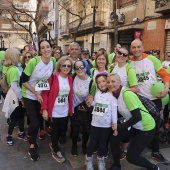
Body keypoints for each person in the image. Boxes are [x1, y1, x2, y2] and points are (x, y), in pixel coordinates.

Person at [130, 39, 170, 165]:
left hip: (155, 100)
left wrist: (166, 89)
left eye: (138, 47)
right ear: (131, 49)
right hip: (139, 101)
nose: (136, 49)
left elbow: (165, 75)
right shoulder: (128, 61)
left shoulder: (152, 59)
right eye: (134, 47)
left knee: (156, 126)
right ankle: (137, 149)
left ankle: (156, 151)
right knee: (139, 126)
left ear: (142, 47)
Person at [107, 73, 158, 170]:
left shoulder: (126, 94)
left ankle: (153, 167)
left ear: (120, 82)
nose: (110, 84)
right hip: (135, 126)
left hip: (146, 127)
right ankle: (117, 165)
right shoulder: (114, 95)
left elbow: (137, 116)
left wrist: (120, 127)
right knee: (114, 139)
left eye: (113, 81)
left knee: (132, 157)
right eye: (108, 82)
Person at [20, 40, 56, 161]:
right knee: (35, 123)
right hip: (29, 94)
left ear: (51, 48)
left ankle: (32, 146)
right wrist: (36, 93)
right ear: (40, 50)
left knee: (38, 121)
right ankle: (29, 135)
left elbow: (52, 78)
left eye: (48, 47)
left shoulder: (53, 61)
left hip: (42, 95)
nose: (46, 50)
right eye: (43, 48)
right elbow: (23, 81)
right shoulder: (34, 62)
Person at [41, 56, 73, 163]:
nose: (66, 67)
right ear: (60, 66)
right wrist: (44, 109)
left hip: (64, 111)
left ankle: (53, 144)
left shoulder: (70, 78)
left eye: (69, 65)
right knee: (55, 132)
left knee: (62, 131)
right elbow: (44, 94)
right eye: (64, 65)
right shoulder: (53, 77)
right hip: (53, 111)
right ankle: (55, 149)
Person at [85, 72, 117, 170]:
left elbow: (114, 110)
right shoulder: (97, 93)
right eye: (99, 82)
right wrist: (91, 103)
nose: (101, 84)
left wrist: (114, 124)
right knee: (92, 143)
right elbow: (97, 105)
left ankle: (100, 160)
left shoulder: (112, 95)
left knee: (103, 144)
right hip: (95, 123)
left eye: (103, 81)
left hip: (106, 125)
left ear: (107, 82)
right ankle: (88, 160)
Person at [2, 48, 28, 145]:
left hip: (16, 96)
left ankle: (21, 133)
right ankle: (9, 135)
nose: (20, 57)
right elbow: (14, 86)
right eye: (18, 55)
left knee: (20, 116)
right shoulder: (13, 70)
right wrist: (21, 98)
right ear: (13, 57)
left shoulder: (14, 68)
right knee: (14, 118)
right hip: (15, 97)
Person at [71, 60, 96, 157]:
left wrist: (87, 107)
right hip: (74, 108)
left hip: (85, 109)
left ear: (85, 68)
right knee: (75, 129)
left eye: (81, 67)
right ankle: (74, 146)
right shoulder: (73, 77)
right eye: (76, 67)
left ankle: (84, 145)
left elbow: (91, 96)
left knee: (86, 130)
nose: (79, 69)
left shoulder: (91, 82)